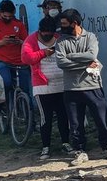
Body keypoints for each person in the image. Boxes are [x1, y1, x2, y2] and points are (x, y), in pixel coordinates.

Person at [55, 9, 107, 164]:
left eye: (64, 24)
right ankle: (80, 150)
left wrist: (70, 57)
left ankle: (106, 147)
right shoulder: (61, 41)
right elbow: (61, 62)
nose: (61, 27)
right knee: (75, 124)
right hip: (72, 88)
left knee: (101, 120)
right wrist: (83, 64)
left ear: (74, 23)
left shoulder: (90, 37)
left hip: (93, 86)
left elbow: (91, 55)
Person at [21, 16, 71, 159]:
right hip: (42, 86)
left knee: (63, 115)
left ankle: (66, 142)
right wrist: (44, 53)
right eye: (45, 33)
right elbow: (26, 58)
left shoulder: (59, 38)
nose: (48, 36)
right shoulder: (31, 40)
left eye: (50, 33)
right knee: (45, 118)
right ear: (40, 31)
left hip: (62, 84)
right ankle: (46, 147)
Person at [0, 0, 31, 108]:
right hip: (2, 61)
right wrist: (2, 42)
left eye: (10, 16)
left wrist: (20, 42)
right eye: (5, 16)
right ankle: (0, 105)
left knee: (26, 88)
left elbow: (27, 42)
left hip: (20, 61)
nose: (8, 19)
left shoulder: (19, 24)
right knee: (6, 82)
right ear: (0, 13)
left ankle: (29, 117)